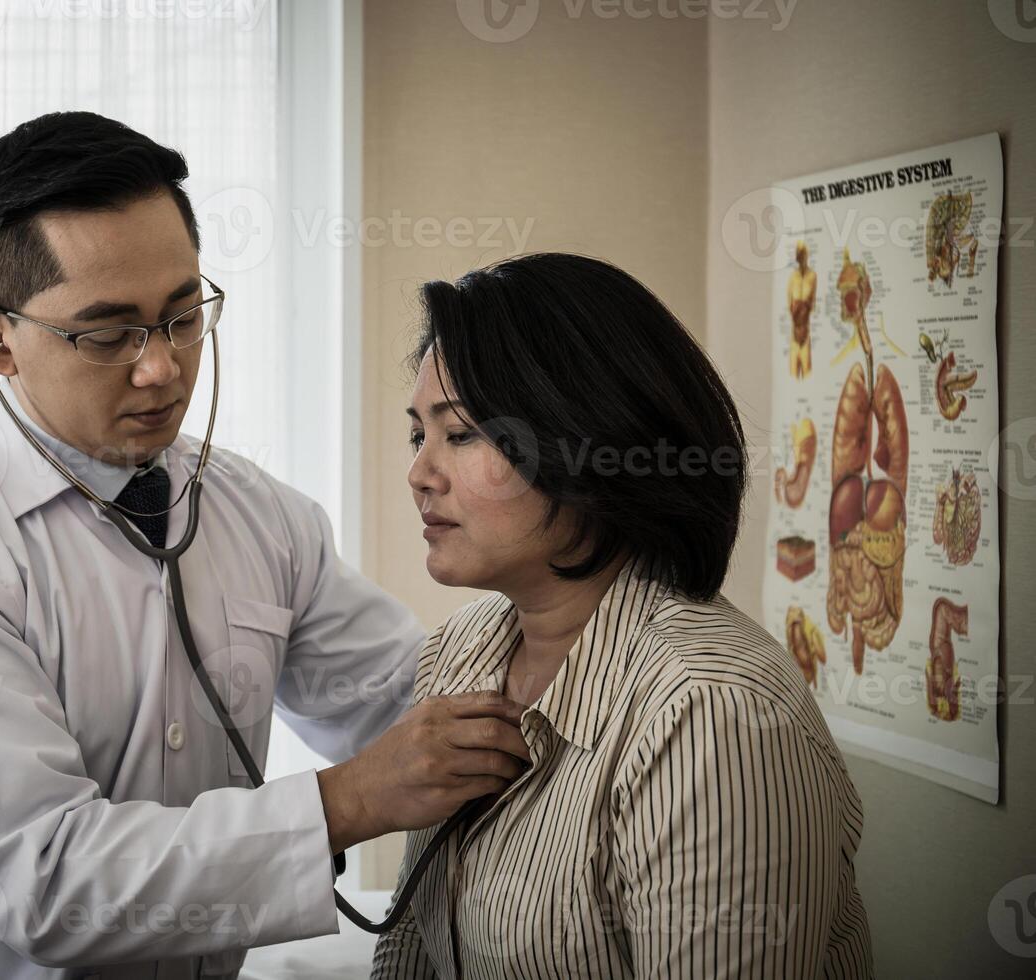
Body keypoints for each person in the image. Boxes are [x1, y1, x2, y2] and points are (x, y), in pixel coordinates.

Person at [0, 111, 533, 979]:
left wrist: (611, 652)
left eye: (184, 314)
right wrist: (347, 800)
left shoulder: (263, 516)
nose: (162, 368)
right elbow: (46, 881)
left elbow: (408, 702)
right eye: (107, 334)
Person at [371, 253, 875, 978]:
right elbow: (410, 954)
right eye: (419, 434)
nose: (420, 471)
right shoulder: (459, 651)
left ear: (586, 441)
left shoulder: (711, 714)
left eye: (461, 433)